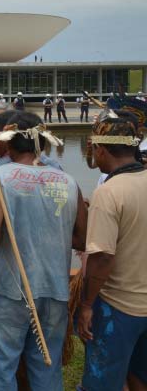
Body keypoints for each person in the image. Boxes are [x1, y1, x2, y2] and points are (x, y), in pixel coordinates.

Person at [0, 111, 87, 390]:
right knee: (46, 370)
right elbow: (82, 239)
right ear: (43, 144)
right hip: (55, 289)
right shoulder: (68, 181)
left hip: (9, 290)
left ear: (9, 143)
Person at [77, 111, 147, 390]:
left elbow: (103, 257)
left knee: (102, 382)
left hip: (120, 306)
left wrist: (86, 305)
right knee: (140, 377)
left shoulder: (109, 191)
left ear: (101, 149)